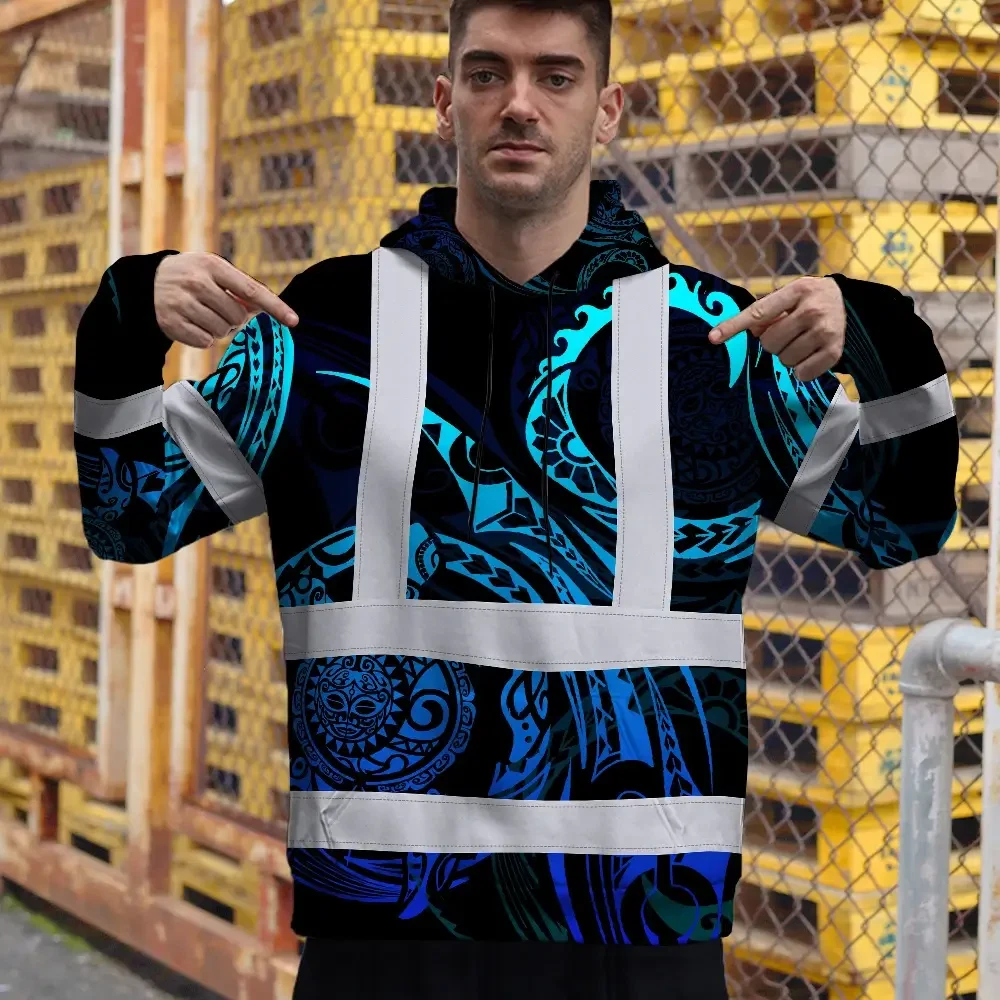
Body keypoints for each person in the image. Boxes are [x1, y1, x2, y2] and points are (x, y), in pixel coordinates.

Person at [73, 0, 959, 996]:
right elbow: (131, 516)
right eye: (488, 74)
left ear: (608, 109)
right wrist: (124, 317)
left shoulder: (711, 338)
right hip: (382, 930)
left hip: (640, 933)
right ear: (444, 101)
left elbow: (902, 521)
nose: (519, 104)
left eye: (556, 76)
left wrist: (884, 336)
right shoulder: (323, 327)